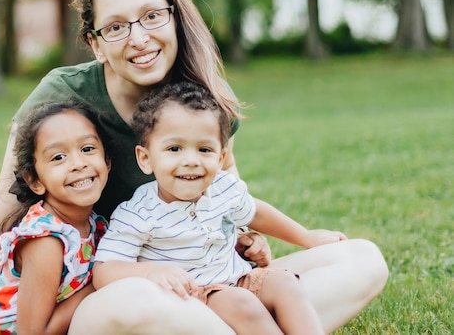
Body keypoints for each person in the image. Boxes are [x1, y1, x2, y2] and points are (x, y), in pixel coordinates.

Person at [0, 0, 388, 335]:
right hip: (117, 300)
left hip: (205, 290)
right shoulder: (62, 97)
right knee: (139, 300)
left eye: (151, 17)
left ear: (173, 18)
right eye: (117, 26)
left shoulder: (196, 101)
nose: (140, 38)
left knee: (363, 260)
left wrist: (251, 243)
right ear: (96, 43)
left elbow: (225, 204)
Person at [94, 81, 331, 335]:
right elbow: (104, 269)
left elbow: (257, 213)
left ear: (220, 158)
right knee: (243, 303)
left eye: (204, 149)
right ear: (146, 158)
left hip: (237, 278)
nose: (191, 161)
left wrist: (306, 237)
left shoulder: (224, 187)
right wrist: (153, 271)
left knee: (285, 283)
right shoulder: (139, 212)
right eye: (174, 149)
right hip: (194, 299)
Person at [0, 100, 110, 334]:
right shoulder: (46, 240)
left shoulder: (95, 225)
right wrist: (98, 285)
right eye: (58, 157)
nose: (78, 164)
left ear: (107, 161)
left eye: (87, 149)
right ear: (34, 180)